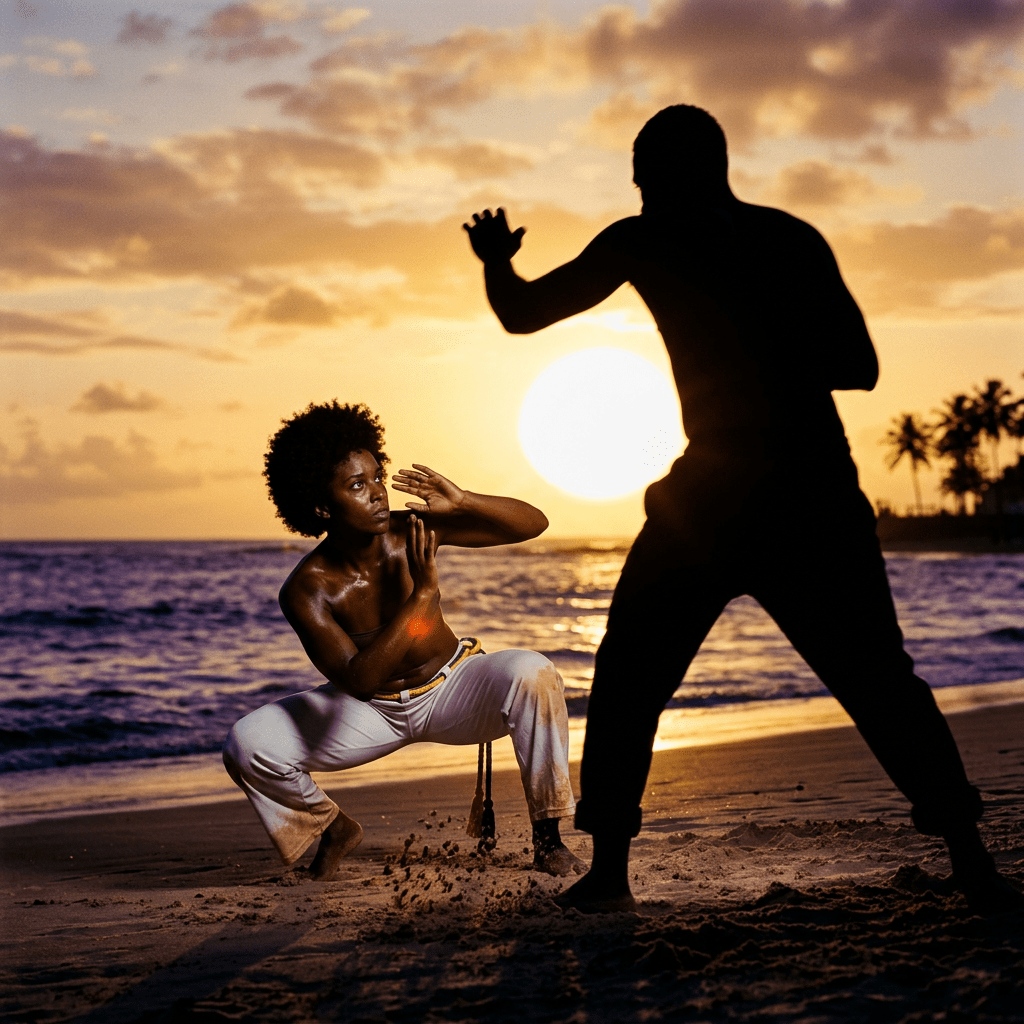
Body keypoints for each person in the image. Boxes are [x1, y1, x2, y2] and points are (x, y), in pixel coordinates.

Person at [463, 104, 1022, 914]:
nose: (638, 186)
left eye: (645, 172)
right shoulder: (786, 236)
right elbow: (859, 365)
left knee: (642, 676)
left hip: (748, 494)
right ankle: (971, 864)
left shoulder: (656, 237)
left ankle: (612, 875)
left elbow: (521, 310)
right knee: (859, 679)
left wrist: (494, 262)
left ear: (678, 172)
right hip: (788, 489)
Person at [223, 400, 581, 880]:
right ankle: (330, 828)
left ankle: (549, 840)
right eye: (356, 485)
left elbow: (533, 523)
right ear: (320, 506)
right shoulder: (307, 589)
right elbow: (362, 681)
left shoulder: (414, 530)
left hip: (455, 688)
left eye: (376, 477)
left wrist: (465, 501)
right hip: (373, 711)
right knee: (247, 743)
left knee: (532, 672)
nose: (377, 493)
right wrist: (422, 598)